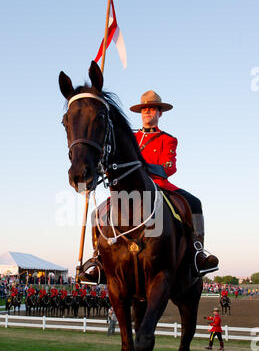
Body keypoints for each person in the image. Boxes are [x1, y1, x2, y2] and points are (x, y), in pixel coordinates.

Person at [79, 90, 219, 284]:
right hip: (128, 188)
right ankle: (98, 259)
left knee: (194, 203)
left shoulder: (167, 139)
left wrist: (142, 169)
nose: (147, 112)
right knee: (96, 213)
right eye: (144, 109)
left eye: (152, 109)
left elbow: (169, 167)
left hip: (158, 185)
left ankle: (197, 253)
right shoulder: (130, 136)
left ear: (159, 113)